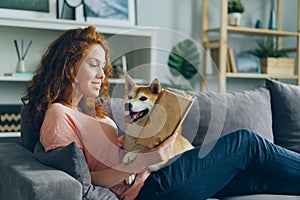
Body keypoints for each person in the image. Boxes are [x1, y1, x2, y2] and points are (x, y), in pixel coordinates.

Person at [21, 26, 300, 200]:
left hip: (152, 174)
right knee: (245, 143)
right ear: (70, 66)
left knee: (255, 178)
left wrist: (148, 138)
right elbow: (82, 179)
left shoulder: (90, 110)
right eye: (93, 65)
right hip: (149, 188)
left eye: (103, 66)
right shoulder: (59, 115)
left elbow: (107, 155)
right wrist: (144, 159)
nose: (102, 74)